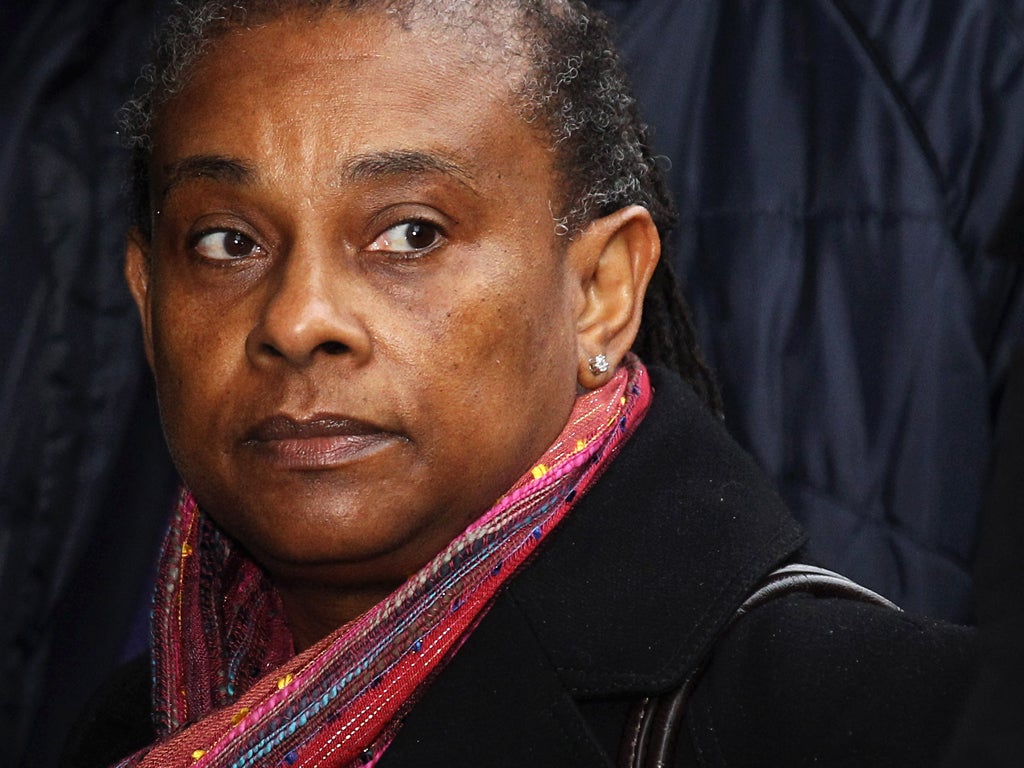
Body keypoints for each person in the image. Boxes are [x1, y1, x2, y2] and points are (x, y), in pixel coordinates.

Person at [63, 1, 974, 766]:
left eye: (410, 234)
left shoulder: (890, 723)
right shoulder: (124, 727)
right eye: (228, 242)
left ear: (599, 293)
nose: (299, 321)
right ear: (149, 301)